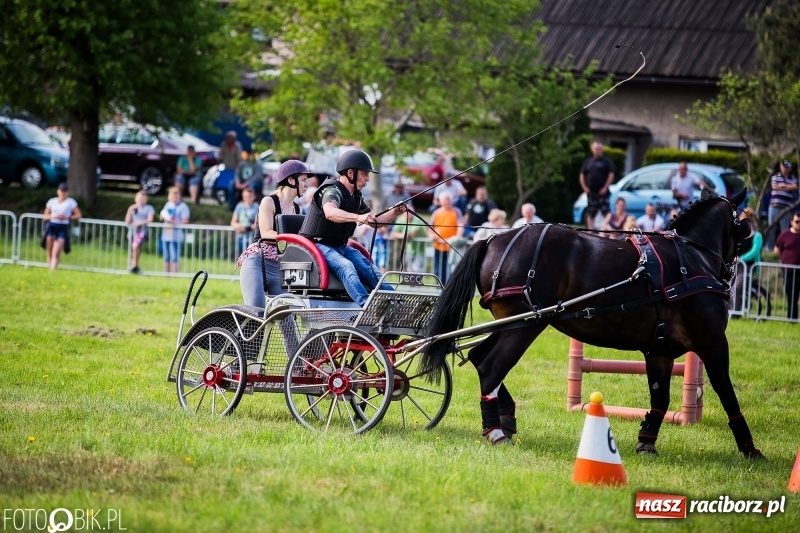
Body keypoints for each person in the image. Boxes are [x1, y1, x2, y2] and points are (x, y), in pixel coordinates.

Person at [299, 149, 405, 306]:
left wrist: (394, 212)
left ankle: (396, 304)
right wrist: (359, 217)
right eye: (364, 174)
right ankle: (367, 306)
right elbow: (330, 212)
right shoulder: (332, 190)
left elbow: (374, 221)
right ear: (350, 173)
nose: (367, 179)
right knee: (347, 266)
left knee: (370, 269)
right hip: (317, 245)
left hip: (340, 246)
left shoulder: (355, 196)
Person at [238, 160, 311, 307]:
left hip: (279, 267)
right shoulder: (269, 201)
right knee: (256, 311)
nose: (306, 184)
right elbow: (266, 233)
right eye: (303, 180)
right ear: (291, 180)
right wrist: (296, 239)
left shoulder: (298, 209)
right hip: (258, 262)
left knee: (286, 316)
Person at [43, 182, 81, 270]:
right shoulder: (52, 201)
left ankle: (52, 270)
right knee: (49, 252)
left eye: (65, 191)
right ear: (58, 191)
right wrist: (54, 216)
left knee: (55, 252)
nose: (63, 193)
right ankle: (49, 269)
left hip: (62, 227)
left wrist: (68, 217)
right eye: (61, 191)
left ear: (67, 192)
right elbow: (45, 216)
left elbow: (78, 215)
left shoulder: (71, 202)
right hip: (52, 226)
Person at [428, 190, 463, 284]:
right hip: (437, 246)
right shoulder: (436, 212)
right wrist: (432, 236)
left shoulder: (456, 212)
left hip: (451, 247)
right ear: (440, 201)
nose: (447, 202)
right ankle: (438, 287)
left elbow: (460, 226)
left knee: (449, 270)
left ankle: (448, 287)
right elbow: (430, 227)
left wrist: (455, 238)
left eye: (448, 199)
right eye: (445, 200)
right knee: (437, 270)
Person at [579, 142, 615, 230]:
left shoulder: (606, 162)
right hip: (591, 192)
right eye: (596, 149)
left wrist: (605, 187)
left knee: (606, 212)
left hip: (603, 192)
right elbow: (582, 175)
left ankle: (603, 229)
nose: (598, 151)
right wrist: (584, 187)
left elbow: (611, 174)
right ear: (592, 150)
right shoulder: (588, 162)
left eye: (599, 149)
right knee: (591, 213)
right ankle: (590, 231)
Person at [766, 160, 798, 250]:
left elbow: (795, 186)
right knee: (771, 227)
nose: (785, 169)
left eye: (787, 167)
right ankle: (770, 247)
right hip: (774, 206)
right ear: (781, 167)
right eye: (783, 167)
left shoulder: (793, 178)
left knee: (784, 229)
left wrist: (782, 186)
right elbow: (774, 187)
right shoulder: (775, 176)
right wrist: (788, 186)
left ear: (790, 168)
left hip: (786, 207)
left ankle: (784, 247)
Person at [774, 212, 800, 320]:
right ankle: (791, 318)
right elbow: (776, 251)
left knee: (796, 295)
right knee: (791, 295)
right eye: (797, 221)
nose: (799, 224)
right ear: (791, 222)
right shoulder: (784, 235)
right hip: (788, 271)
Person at [159, 186, 190, 273]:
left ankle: (175, 274)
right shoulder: (168, 204)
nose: (174, 198)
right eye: (172, 195)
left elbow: (185, 221)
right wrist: (164, 217)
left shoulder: (183, 206)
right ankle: (166, 274)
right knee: (166, 255)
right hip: (166, 234)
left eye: (176, 196)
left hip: (176, 235)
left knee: (174, 256)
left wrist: (175, 223)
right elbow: (162, 217)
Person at [125, 190, 155, 274]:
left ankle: (134, 265)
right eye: (139, 198)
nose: (141, 200)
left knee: (135, 246)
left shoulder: (149, 208)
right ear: (136, 199)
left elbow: (150, 219)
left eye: (143, 199)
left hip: (141, 231)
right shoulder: (133, 208)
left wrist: (139, 223)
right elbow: (127, 221)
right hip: (132, 231)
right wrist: (130, 210)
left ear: (146, 199)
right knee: (132, 249)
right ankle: (134, 267)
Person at [231, 187, 259, 258]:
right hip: (240, 236)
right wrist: (239, 227)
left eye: (250, 196)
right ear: (243, 197)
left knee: (250, 257)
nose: (248, 198)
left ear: (254, 197)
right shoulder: (239, 207)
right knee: (239, 257)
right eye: (246, 196)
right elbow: (233, 222)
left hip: (251, 237)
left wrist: (250, 228)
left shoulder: (256, 207)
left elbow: (256, 223)